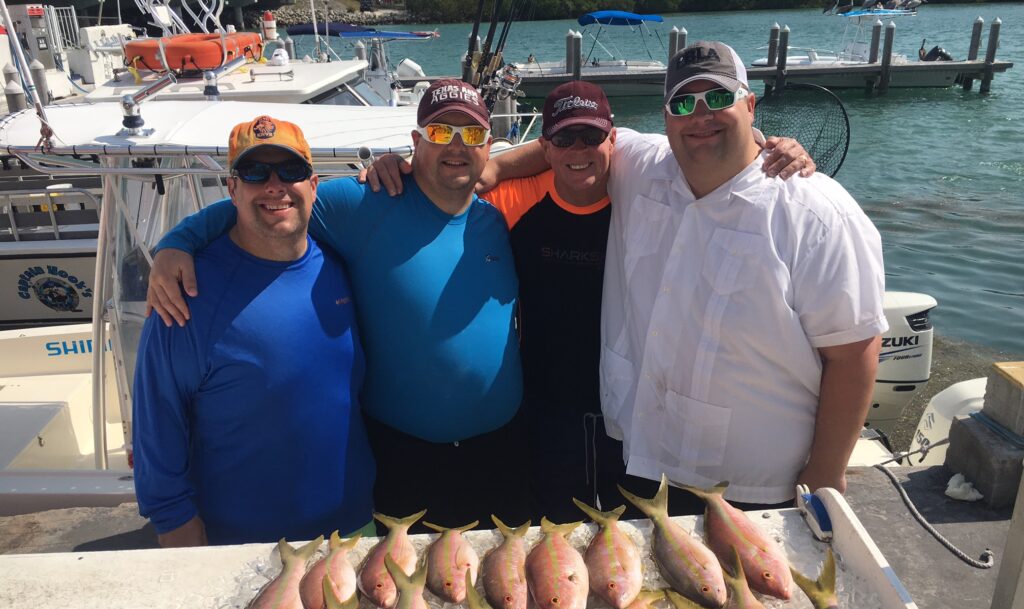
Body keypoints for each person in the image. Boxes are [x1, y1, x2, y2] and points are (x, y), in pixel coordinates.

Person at [362, 80, 816, 519]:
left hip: (634, 412)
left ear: (613, 139)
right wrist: (398, 168)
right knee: (556, 542)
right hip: (544, 410)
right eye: (564, 138)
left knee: (637, 541)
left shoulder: (645, 191)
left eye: (591, 136)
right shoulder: (512, 200)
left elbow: (711, 158)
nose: (578, 150)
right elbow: (443, 202)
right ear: (547, 145)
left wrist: (763, 148)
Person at [145, 81, 527, 528]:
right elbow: (274, 204)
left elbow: (570, 158)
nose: (457, 146)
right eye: (441, 133)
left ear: (489, 146)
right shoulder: (365, 202)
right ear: (415, 142)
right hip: (406, 456)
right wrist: (178, 241)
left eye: (472, 135)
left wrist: (504, 169)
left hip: (503, 448)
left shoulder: (497, 216)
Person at [600, 41, 887, 508]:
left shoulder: (817, 212)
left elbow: (855, 350)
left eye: (717, 99)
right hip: (642, 454)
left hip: (752, 488)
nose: (700, 116)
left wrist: (825, 477)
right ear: (665, 115)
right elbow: (568, 145)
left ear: (750, 104)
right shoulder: (641, 165)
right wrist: (489, 170)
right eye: (683, 103)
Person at [132, 116, 375, 546]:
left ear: (314, 184)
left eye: (291, 172)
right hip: (243, 545)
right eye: (255, 173)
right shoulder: (185, 291)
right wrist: (179, 536)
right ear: (232, 189)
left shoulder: (341, 262)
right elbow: (157, 423)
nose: (274, 186)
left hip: (354, 529)